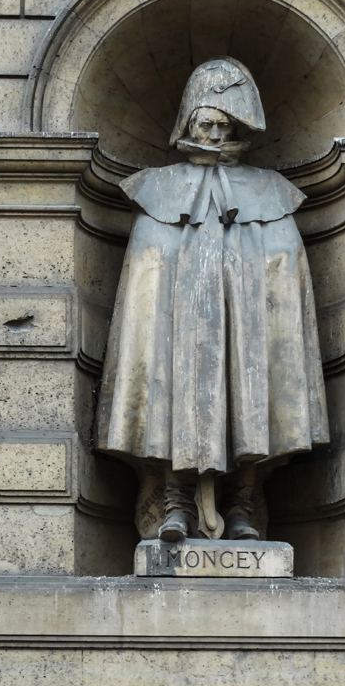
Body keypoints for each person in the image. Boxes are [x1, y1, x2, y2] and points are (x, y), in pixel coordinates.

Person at [97, 58, 329, 542]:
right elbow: (146, 281)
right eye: (207, 122)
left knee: (252, 405)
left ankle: (243, 503)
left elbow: (284, 271)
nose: (217, 134)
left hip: (248, 332)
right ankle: (174, 501)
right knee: (169, 403)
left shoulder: (269, 191)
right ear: (188, 121)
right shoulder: (157, 190)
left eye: (226, 125)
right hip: (176, 333)